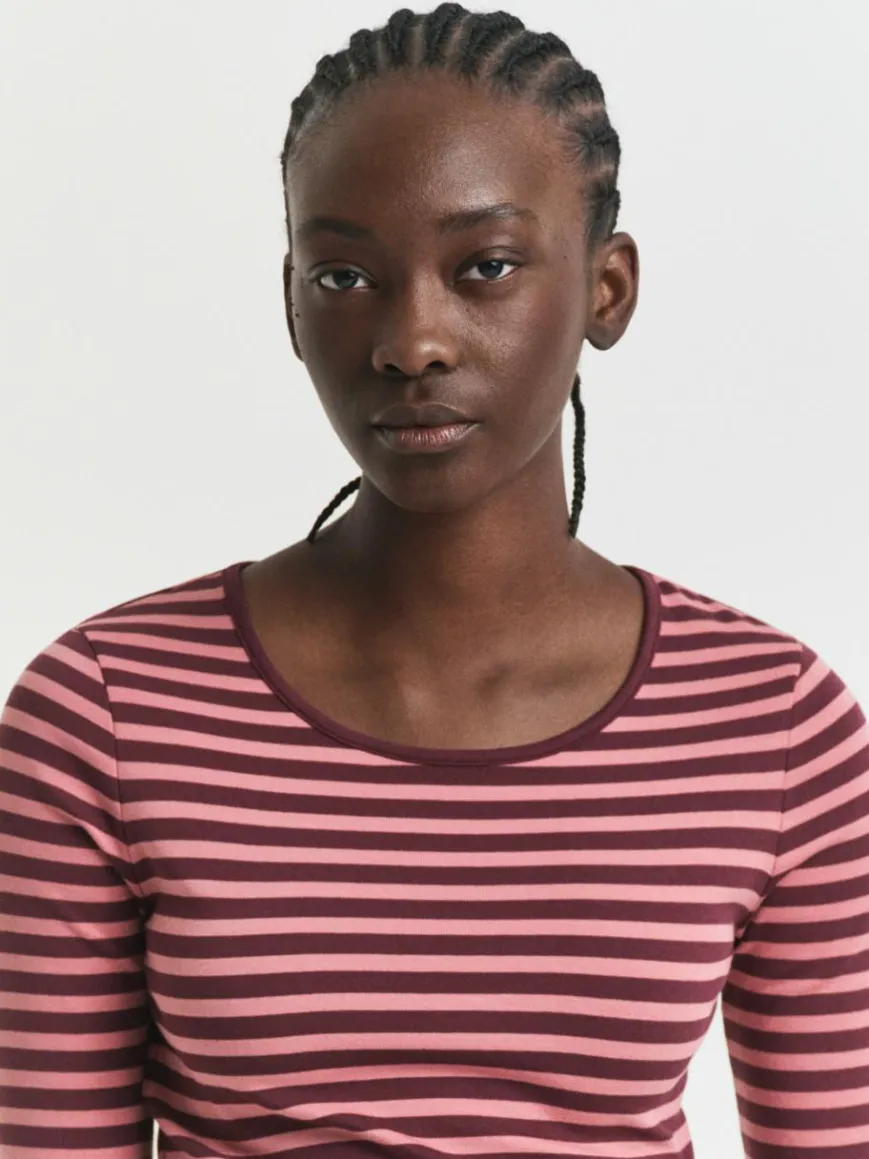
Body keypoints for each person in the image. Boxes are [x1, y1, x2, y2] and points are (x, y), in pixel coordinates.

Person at [1, 5, 867, 1157]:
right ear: (291, 301)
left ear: (606, 288)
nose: (411, 341)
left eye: (484, 267)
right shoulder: (104, 713)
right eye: (345, 274)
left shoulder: (771, 724)